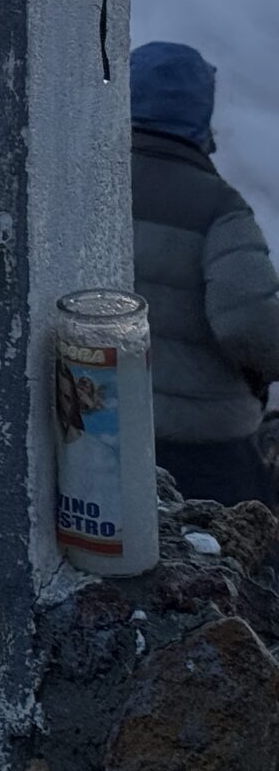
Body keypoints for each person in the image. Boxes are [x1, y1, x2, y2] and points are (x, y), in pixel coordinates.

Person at [132, 40, 279, 506]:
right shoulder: (220, 208)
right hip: (206, 451)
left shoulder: (85, 183)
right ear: (200, 116)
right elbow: (247, 323)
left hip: (101, 429)